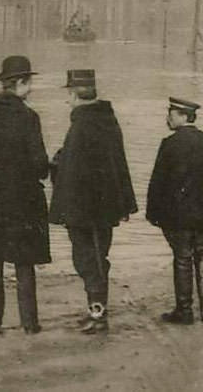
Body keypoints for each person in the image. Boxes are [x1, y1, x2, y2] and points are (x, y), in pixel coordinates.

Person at [0, 55, 51, 335]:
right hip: (22, 201)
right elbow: (39, 164)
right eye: (30, 83)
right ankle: (29, 323)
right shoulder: (29, 118)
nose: (32, 88)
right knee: (24, 263)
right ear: (20, 84)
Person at [49, 69, 138, 334]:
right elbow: (115, 164)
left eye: (69, 94)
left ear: (75, 94)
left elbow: (74, 169)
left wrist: (57, 163)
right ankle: (95, 309)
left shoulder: (83, 124)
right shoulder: (106, 121)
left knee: (90, 260)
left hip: (85, 210)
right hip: (102, 208)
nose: (68, 99)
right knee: (95, 257)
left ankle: (98, 315)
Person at [146, 97, 203, 325]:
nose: (167, 119)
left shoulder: (169, 144)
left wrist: (153, 214)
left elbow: (158, 183)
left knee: (182, 259)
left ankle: (184, 310)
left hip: (178, 217)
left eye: (171, 114)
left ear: (182, 116)